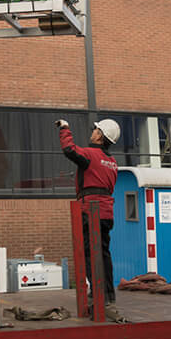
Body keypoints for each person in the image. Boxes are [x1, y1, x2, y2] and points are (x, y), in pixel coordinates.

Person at [56, 118, 121, 318]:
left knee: (89, 254)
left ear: (101, 136)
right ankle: (108, 294)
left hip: (90, 211)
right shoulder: (112, 162)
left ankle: (97, 294)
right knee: (103, 253)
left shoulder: (91, 154)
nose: (92, 131)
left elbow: (69, 150)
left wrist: (65, 129)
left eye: (95, 129)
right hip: (106, 212)